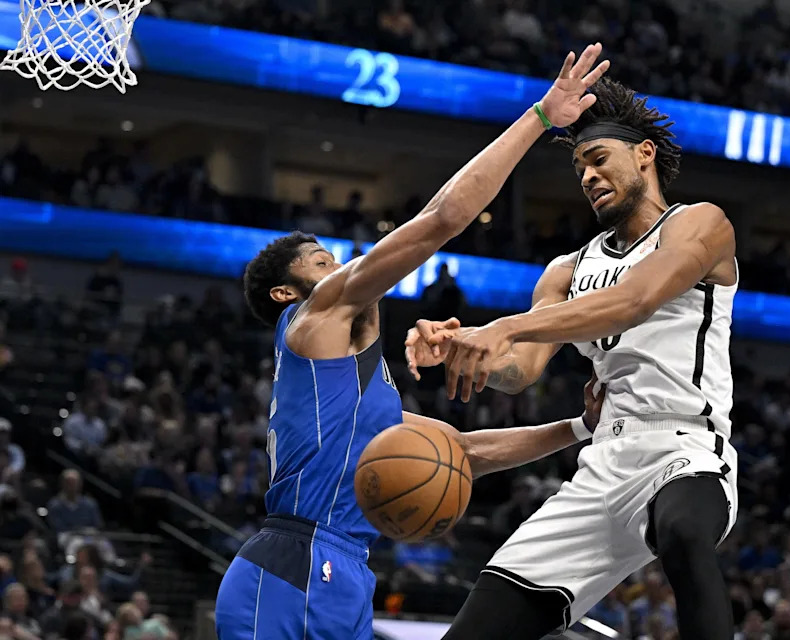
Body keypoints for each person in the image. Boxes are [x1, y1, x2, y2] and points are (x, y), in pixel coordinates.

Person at [214, 44, 611, 640]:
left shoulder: (359, 394)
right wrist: (539, 119)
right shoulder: (312, 319)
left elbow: (464, 452)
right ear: (285, 293)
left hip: (348, 571)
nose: (342, 267)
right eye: (322, 262)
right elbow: (442, 219)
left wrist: (580, 428)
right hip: (294, 563)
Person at [408, 77, 740, 639]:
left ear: (644, 154)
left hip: (684, 448)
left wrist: (505, 327)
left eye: (599, 159)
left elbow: (634, 301)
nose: (587, 177)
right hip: (602, 458)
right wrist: (464, 348)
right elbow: (520, 372)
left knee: (683, 533)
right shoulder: (566, 269)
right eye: (579, 168)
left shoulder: (699, 223)